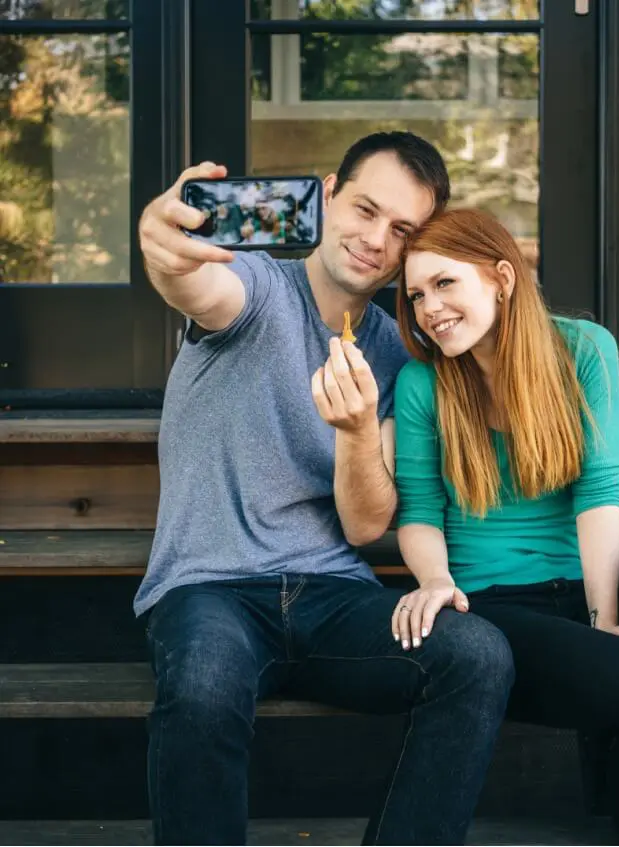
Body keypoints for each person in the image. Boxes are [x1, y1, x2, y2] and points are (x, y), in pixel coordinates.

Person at [135, 135, 514, 846]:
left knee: (477, 655)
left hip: (334, 595)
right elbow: (192, 283)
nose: (376, 240)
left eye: (401, 231)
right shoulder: (252, 285)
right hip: (210, 586)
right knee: (204, 688)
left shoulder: (399, 352)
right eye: (366, 209)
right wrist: (164, 243)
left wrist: (355, 431)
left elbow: (367, 525)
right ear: (329, 190)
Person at [392, 207, 619, 846]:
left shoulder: (585, 350)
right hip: (494, 612)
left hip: (579, 592)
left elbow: (600, 491)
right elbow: (419, 512)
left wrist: (604, 622)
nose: (429, 308)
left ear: (501, 277)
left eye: (445, 284)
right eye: (416, 294)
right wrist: (437, 580)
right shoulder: (424, 383)